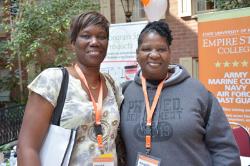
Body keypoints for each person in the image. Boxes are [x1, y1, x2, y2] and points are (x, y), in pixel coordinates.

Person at [120, 21, 241, 166]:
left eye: (161, 49)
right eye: (146, 49)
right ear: (137, 54)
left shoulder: (197, 92)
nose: (154, 55)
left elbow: (224, 149)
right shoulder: (124, 93)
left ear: (170, 54)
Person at [17, 11, 123, 166]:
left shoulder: (112, 84)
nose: (94, 42)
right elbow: (27, 148)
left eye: (101, 36)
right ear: (73, 42)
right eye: (86, 36)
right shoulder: (53, 80)